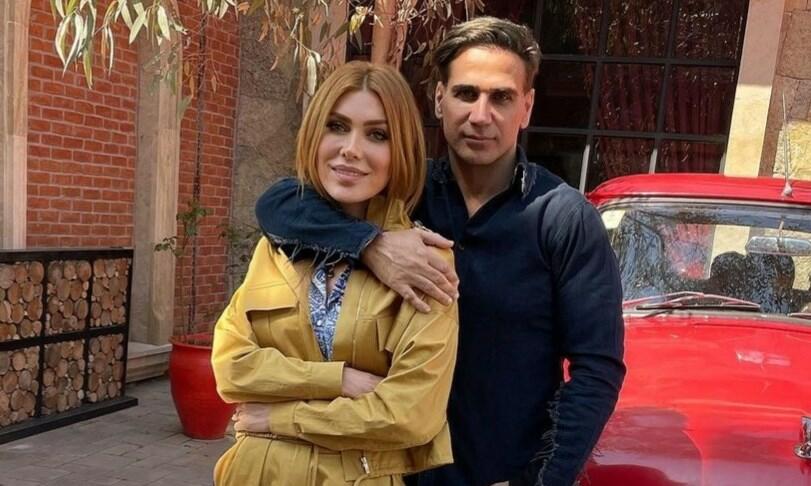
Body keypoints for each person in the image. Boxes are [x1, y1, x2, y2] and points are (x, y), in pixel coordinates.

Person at [254, 17, 625, 486]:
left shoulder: (564, 219)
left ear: (526, 107)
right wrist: (372, 245)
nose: (481, 115)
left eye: (501, 97)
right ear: (438, 99)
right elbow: (279, 205)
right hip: (382, 472)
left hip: (496, 474)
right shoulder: (401, 194)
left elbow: (596, 370)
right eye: (466, 94)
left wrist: (542, 481)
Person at [211, 61, 459, 486]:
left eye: (377, 135)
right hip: (254, 474)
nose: (351, 149)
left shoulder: (424, 262)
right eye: (337, 127)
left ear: (400, 150)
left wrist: (278, 416)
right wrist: (339, 380)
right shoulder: (279, 245)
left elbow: (410, 415)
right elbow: (231, 367)